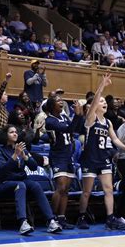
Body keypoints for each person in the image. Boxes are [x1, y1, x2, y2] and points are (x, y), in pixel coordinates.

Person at [76, 74, 125, 230]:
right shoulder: (90, 119)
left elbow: (114, 139)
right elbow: (94, 102)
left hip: (103, 159)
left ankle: (110, 218)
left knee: (108, 190)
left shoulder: (107, 122)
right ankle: (81, 216)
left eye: (104, 102)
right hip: (89, 159)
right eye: (101, 101)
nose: (103, 103)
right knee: (87, 192)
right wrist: (101, 86)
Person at [0, 125, 62, 235]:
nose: (15, 134)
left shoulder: (22, 149)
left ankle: (51, 221)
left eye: (16, 132)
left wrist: (25, 157)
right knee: (21, 185)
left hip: (21, 181)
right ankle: (23, 223)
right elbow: (2, 170)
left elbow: (34, 167)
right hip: (5, 183)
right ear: (5, 135)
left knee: (35, 185)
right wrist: (15, 155)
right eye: (11, 132)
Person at [45, 95, 83, 229]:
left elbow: (76, 129)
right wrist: (77, 116)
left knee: (66, 189)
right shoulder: (49, 121)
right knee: (60, 187)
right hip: (57, 156)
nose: (61, 102)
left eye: (62, 100)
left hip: (68, 156)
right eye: (58, 100)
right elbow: (68, 129)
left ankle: (61, 218)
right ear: (51, 105)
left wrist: (80, 114)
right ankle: (52, 218)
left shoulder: (65, 117)